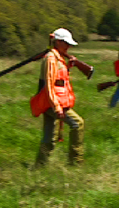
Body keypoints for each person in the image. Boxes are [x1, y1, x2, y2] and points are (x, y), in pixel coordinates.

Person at [30, 28, 85, 167]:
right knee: (78, 124)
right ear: (58, 42)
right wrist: (56, 106)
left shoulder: (57, 57)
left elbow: (59, 80)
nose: (68, 46)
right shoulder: (51, 59)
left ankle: (39, 166)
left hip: (51, 101)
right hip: (52, 102)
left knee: (49, 138)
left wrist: (68, 66)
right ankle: (76, 162)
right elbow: (49, 83)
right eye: (66, 43)